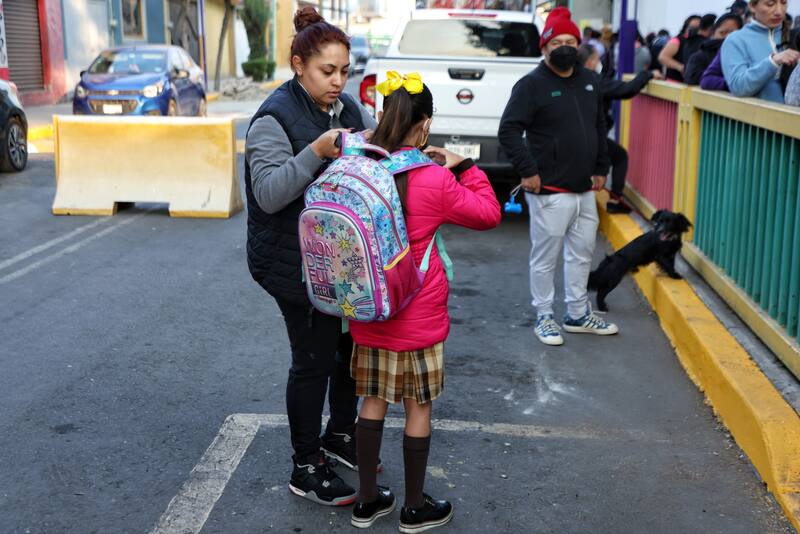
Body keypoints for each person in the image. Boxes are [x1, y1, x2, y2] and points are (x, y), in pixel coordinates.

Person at [348, 74, 501, 532]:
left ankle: (367, 501)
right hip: (418, 315)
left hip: (370, 308)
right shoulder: (433, 178)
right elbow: (489, 213)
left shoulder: (359, 165)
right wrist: (464, 165)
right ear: (426, 123)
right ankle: (414, 508)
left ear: (383, 115)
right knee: (418, 408)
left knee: (372, 401)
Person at [244, 7, 378, 506]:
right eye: (328, 71)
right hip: (291, 262)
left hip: (339, 260)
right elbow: (268, 195)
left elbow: (376, 150)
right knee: (313, 359)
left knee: (349, 348)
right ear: (299, 65)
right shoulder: (273, 119)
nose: (338, 81)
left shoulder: (346, 108)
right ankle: (305, 464)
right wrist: (317, 151)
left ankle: (339, 434)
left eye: (344, 71)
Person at [498, 7, 619, 347]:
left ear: (578, 45)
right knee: (545, 257)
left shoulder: (590, 81)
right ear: (545, 47)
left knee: (582, 254)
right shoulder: (531, 85)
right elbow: (509, 130)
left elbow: (599, 125)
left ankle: (577, 314)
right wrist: (528, 171)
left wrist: (601, 167)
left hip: (584, 189)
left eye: (571, 42)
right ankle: (544, 316)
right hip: (549, 190)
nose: (565, 47)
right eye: (557, 42)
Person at [577, 44, 661, 214]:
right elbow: (627, 89)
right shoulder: (595, 80)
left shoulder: (571, 78)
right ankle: (616, 200)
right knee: (620, 156)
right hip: (591, 137)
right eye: (597, 59)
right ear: (590, 62)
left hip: (574, 135)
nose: (599, 62)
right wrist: (648, 74)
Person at [721, 0, 800, 103]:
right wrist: (772, 61)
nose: (779, 11)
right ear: (752, 6)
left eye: (784, 3)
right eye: (770, 4)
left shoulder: (794, 36)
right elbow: (738, 87)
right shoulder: (736, 40)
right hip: (758, 113)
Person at [685, 13, 743, 85]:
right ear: (713, 33)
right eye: (722, 33)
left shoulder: (746, 56)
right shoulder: (698, 58)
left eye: (732, 34)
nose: (727, 38)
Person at [658, 15, 702, 81]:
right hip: (674, 82)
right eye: (692, 27)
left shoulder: (701, 41)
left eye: (698, 28)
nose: (695, 30)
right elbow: (662, 57)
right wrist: (680, 67)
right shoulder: (678, 40)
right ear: (686, 27)